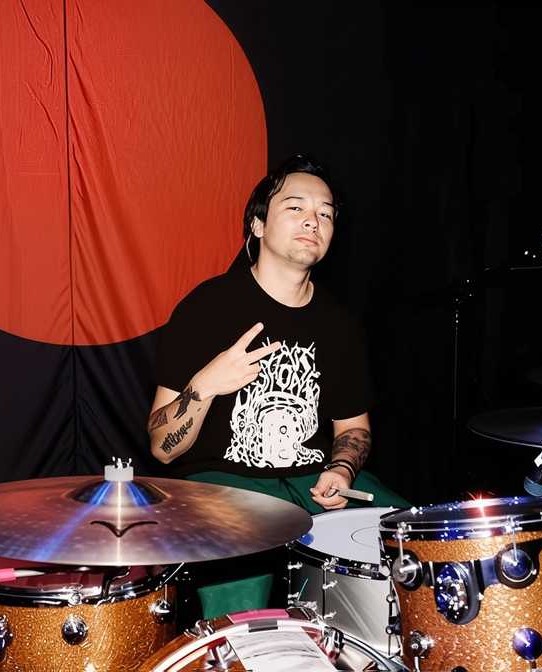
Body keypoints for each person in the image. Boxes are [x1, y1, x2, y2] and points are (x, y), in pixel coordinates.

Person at [148, 154, 407, 618]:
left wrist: (343, 470)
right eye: (296, 207)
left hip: (312, 479)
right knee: (239, 610)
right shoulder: (207, 307)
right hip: (226, 485)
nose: (314, 220)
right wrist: (206, 385)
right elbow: (162, 448)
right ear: (258, 225)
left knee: (423, 544)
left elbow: (354, 428)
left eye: (325, 213)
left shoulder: (340, 324)